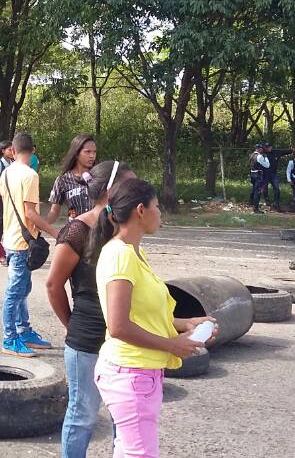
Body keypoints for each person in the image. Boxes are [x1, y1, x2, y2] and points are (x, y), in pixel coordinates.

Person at [91, 178, 215, 457]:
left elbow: (143, 314)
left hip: (141, 371)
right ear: (140, 210)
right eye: (157, 206)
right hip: (131, 373)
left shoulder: (135, 252)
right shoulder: (120, 255)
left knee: (129, 450)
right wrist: (173, 345)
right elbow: (119, 325)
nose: (161, 213)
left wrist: (186, 324)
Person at [45, 160, 132, 458]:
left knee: (125, 416)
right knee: (82, 415)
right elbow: (53, 285)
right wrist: (73, 326)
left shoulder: (127, 230)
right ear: (111, 191)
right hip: (87, 342)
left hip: (124, 342)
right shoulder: (76, 231)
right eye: (128, 185)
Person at [0, 132, 59, 357]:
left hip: (10, 238)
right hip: (22, 242)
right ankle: (10, 338)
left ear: (12, 151)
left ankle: (23, 331)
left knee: (22, 289)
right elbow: (30, 213)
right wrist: (54, 232)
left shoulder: (4, 173)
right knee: (15, 292)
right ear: (32, 151)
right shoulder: (30, 175)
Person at [47, 134, 98, 224]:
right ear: (76, 154)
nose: (92, 156)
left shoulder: (100, 177)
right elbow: (54, 211)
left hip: (98, 232)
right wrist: (40, 226)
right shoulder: (62, 180)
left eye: (94, 152)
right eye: (88, 152)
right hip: (75, 232)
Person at [264, 143, 293, 210]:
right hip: (265, 174)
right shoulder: (263, 154)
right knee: (264, 189)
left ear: (271, 147)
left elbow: (285, 152)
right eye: (266, 147)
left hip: (274, 174)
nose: (268, 148)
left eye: (269, 147)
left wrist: (292, 150)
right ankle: (267, 201)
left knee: (277, 188)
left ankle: (276, 202)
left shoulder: (276, 152)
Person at [249, 143, 270, 214]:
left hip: (252, 174)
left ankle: (252, 204)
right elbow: (267, 165)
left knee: (254, 190)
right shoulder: (259, 156)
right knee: (258, 192)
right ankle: (255, 208)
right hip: (258, 175)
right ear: (259, 149)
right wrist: (266, 157)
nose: (262, 150)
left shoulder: (251, 155)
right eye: (261, 148)